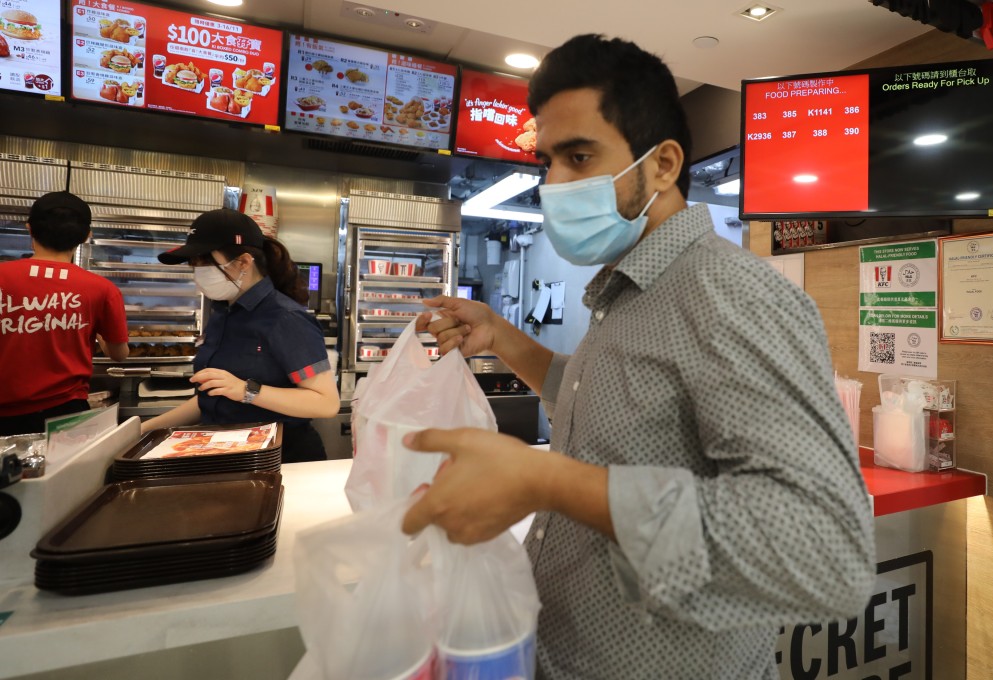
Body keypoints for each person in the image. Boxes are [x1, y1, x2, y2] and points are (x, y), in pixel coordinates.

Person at [402, 35, 875, 679]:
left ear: (663, 165)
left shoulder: (732, 295)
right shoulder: (628, 291)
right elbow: (608, 402)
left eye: (579, 156)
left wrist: (545, 480)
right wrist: (503, 338)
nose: (554, 184)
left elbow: (825, 551)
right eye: (548, 160)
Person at [143, 209, 339, 463]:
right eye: (193, 264)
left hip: (282, 461)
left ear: (244, 262)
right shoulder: (224, 312)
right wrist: (144, 430)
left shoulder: (285, 318)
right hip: (230, 456)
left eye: (205, 261)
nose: (197, 271)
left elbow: (326, 403)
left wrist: (247, 390)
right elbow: (212, 396)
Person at [0, 191, 129, 436]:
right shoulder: (102, 289)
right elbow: (119, 354)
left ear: (29, 229)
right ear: (87, 236)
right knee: (63, 475)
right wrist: (97, 330)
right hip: (64, 414)